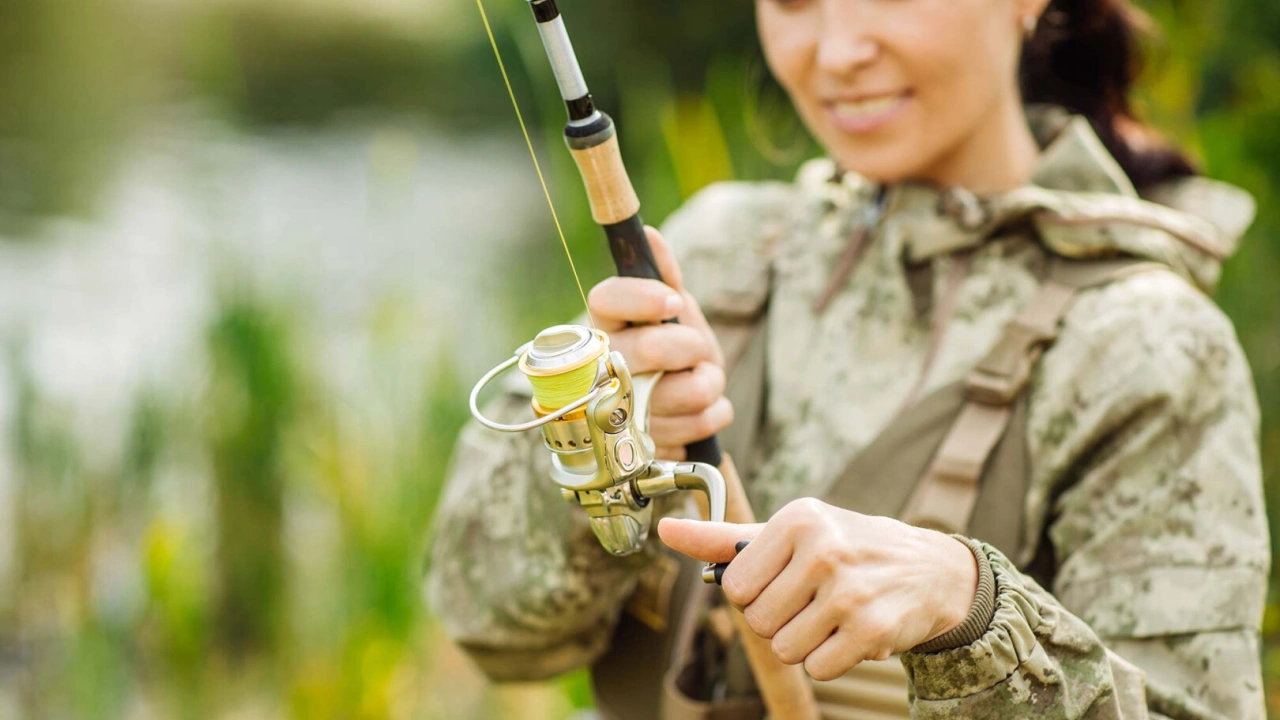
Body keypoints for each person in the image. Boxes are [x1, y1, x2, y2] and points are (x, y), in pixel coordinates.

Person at [428, 0, 1268, 717]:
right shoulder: (716, 250)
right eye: (794, 0)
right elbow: (487, 627)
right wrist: (591, 453)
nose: (835, 53)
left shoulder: (1146, 345)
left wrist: (966, 608)